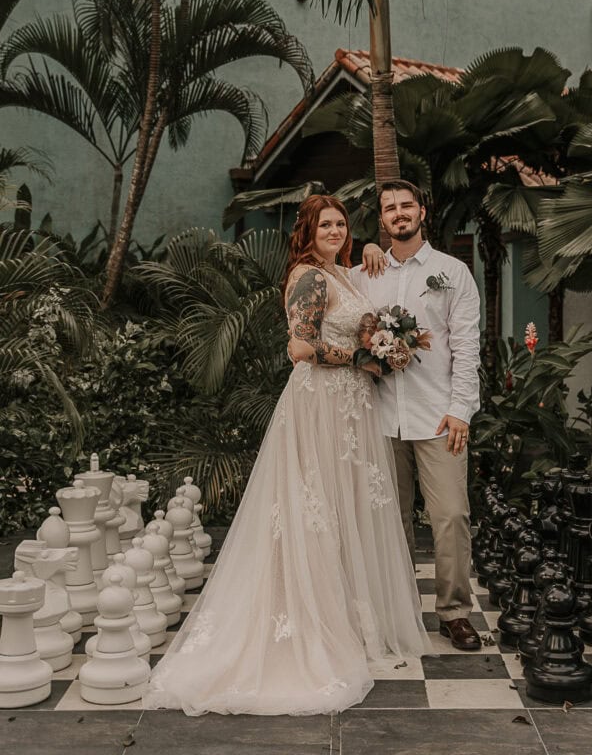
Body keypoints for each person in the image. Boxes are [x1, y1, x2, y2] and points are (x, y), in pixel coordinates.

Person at [143, 195, 429, 717]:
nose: (336, 231)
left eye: (342, 223)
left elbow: (364, 298)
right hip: (319, 404)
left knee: (345, 512)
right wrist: (364, 357)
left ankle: (348, 619)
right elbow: (300, 349)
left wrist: (382, 341)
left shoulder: (340, 274)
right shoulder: (308, 277)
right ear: (308, 230)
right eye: (326, 224)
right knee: (314, 511)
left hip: (351, 409)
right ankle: (309, 625)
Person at [352, 180, 482, 652]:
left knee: (450, 516)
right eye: (390, 208)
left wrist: (460, 410)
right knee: (391, 520)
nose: (399, 213)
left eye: (407, 205)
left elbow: (467, 347)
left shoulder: (452, 272)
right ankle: (399, 610)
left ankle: (454, 612)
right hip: (379, 418)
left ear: (422, 212)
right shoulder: (364, 274)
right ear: (382, 220)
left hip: (437, 418)